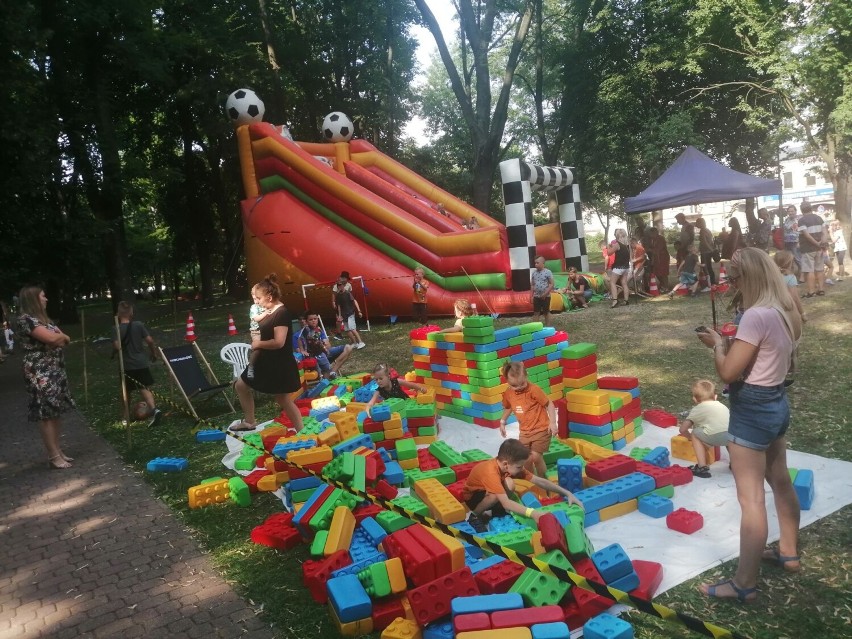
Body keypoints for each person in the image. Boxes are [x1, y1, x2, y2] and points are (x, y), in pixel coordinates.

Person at [696, 248, 803, 603]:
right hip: (776, 402)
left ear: (751, 277)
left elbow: (728, 372)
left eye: (735, 277)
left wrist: (716, 346)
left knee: (752, 500)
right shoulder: (785, 309)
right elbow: (771, 357)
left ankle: (744, 584)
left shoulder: (756, 315)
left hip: (753, 406)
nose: (731, 284)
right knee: (781, 481)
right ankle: (788, 551)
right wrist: (731, 344)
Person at [232, 274, 304, 433]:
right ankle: (250, 421)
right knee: (241, 385)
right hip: (265, 360)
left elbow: (279, 342)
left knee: (283, 399)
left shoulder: (281, 313)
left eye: (258, 298)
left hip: (278, 363)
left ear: (269, 297)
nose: (256, 302)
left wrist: (258, 343)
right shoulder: (270, 310)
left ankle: (301, 431)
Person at [462, 439, 583, 532]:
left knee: (510, 483)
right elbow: (507, 503)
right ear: (506, 464)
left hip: (487, 491)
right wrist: (533, 513)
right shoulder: (491, 472)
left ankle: (497, 510)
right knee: (495, 495)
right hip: (473, 497)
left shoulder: (508, 467)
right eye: (519, 466)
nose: (522, 469)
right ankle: (474, 516)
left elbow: (539, 481)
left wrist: (567, 493)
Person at [15, 285, 75, 469]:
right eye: (43, 296)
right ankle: (53, 456)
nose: (46, 299)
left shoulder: (43, 320)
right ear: (34, 299)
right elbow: (52, 339)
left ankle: (58, 450)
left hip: (54, 369)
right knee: (46, 413)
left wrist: (60, 337)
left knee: (54, 411)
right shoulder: (26, 320)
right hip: (40, 371)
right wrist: (58, 337)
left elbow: (66, 339)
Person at [499, 361, 555, 477]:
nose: (518, 388)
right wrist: (502, 421)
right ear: (507, 381)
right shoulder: (509, 393)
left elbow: (549, 404)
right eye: (514, 385)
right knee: (526, 458)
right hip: (525, 432)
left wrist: (553, 423)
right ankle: (532, 480)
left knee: (535, 457)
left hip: (541, 429)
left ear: (526, 376)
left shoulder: (533, 390)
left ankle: (544, 481)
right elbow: (509, 407)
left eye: (522, 384)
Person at [113, 301, 162, 426]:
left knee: (126, 390)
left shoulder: (116, 329)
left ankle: (125, 417)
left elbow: (117, 346)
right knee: (144, 387)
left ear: (118, 314)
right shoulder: (138, 325)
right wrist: (154, 353)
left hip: (126, 365)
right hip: (141, 363)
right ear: (131, 313)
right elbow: (150, 340)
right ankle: (153, 409)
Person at [678, 379, 730, 478]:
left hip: (715, 436)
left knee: (695, 433)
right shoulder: (722, 406)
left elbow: (683, 430)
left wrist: (690, 437)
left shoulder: (697, 409)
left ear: (695, 399)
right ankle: (735, 465)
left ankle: (702, 467)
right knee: (726, 433)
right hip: (732, 437)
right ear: (715, 397)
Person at [297, 312, 353, 380]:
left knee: (327, 368)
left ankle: (330, 375)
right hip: (314, 355)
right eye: (311, 320)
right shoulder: (306, 330)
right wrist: (302, 349)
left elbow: (322, 342)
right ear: (307, 321)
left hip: (321, 352)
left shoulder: (318, 329)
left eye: (315, 319)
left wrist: (324, 346)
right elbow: (299, 339)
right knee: (322, 373)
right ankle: (325, 379)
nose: (313, 321)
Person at [797, 201, 827, 298]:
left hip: (808, 248)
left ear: (802, 210)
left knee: (809, 270)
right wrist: (821, 243)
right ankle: (821, 290)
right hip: (820, 248)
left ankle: (811, 291)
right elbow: (824, 232)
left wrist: (816, 243)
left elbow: (807, 235)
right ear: (811, 208)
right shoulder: (819, 218)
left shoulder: (802, 221)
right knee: (820, 269)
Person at [332, 271, 366, 349]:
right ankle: (354, 343)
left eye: (341, 285)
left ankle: (360, 342)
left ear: (344, 285)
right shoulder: (338, 295)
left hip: (350, 313)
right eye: (338, 285)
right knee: (347, 330)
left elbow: (354, 300)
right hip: (344, 314)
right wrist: (339, 315)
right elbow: (339, 305)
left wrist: (359, 311)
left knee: (352, 328)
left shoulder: (348, 293)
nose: (339, 286)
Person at [773, 250, 806, 323]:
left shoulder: (771, 277)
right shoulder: (790, 277)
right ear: (789, 263)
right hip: (787, 309)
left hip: (773, 309)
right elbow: (795, 297)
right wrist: (802, 313)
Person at [245, 285, 270, 379]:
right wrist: (265, 313)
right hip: (256, 332)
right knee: (258, 349)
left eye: (257, 298)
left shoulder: (267, 305)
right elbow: (256, 318)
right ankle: (250, 367)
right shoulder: (254, 307)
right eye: (254, 299)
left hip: (266, 330)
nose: (256, 301)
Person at [606, 229, 631, 308]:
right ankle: (626, 300)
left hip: (618, 267)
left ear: (617, 236)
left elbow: (609, 253)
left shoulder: (617, 244)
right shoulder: (627, 246)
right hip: (626, 267)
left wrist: (608, 247)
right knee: (624, 283)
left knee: (612, 282)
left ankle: (615, 300)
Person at [530, 256, 554, 325]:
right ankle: (535, 327)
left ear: (543, 263)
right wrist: (531, 296)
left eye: (537, 263)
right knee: (536, 312)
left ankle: (548, 326)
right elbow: (532, 285)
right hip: (536, 296)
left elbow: (551, 284)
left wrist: (545, 294)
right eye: (535, 263)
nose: (536, 265)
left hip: (546, 297)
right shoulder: (534, 273)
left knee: (546, 312)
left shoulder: (548, 272)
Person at [695, 217, 716, 286]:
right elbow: (711, 241)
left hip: (705, 251)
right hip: (709, 251)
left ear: (700, 223)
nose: (696, 224)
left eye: (697, 222)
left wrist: (709, 249)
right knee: (709, 267)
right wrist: (712, 249)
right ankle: (712, 281)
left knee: (705, 268)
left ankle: (709, 283)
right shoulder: (708, 230)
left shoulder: (703, 231)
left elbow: (704, 242)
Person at [649, 227, 671, 292]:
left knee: (664, 273)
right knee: (657, 272)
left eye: (652, 233)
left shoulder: (661, 238)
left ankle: (666, 287)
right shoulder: (653, 240)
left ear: (655, 232)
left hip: (662, 257)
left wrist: (650, 250)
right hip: (656, 258)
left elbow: (659, 249)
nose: (651, 235)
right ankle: (662, 285)